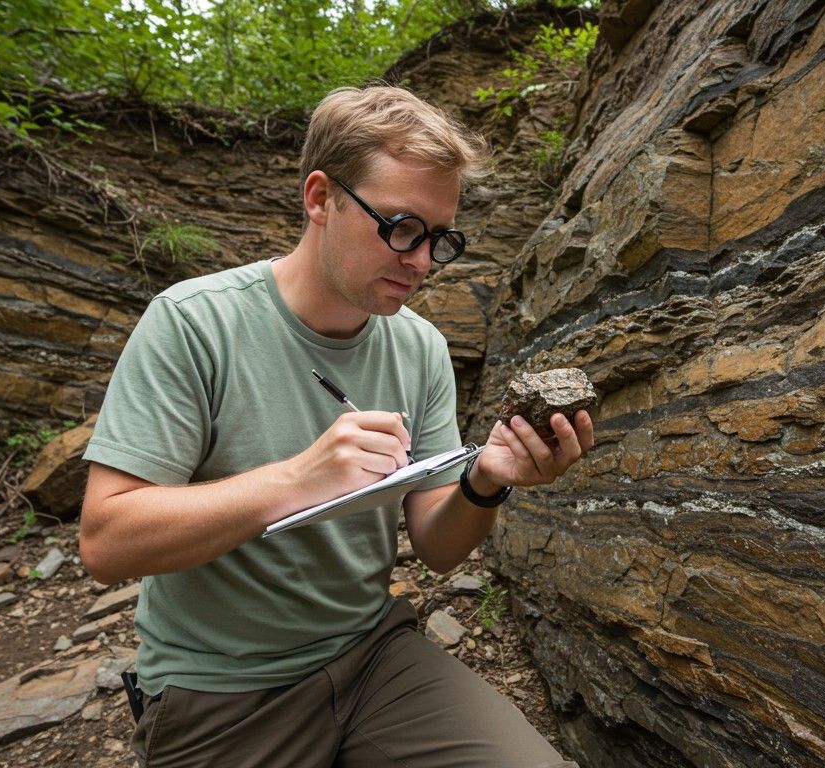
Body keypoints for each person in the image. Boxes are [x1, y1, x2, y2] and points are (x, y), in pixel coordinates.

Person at [78, 84, 593, 768]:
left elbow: (437, 547)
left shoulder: (419, 347)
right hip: (221, 688)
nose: (420, 262)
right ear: (320, 198)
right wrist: (297, 479)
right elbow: (106, 542)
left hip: (373, 655)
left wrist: (487, 480)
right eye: (402, 227)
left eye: (439, 238)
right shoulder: (193, 323)